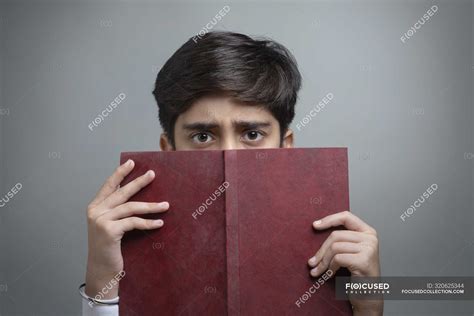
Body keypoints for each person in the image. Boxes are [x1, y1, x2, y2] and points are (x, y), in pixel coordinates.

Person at [79, 31, 382, 316]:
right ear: (167, 151)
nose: (229, 154)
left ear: (285, 145)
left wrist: (370, 306)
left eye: (251, 134)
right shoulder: (134, 237)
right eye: (202, 137)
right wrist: (102, 278)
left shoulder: (330, 235)